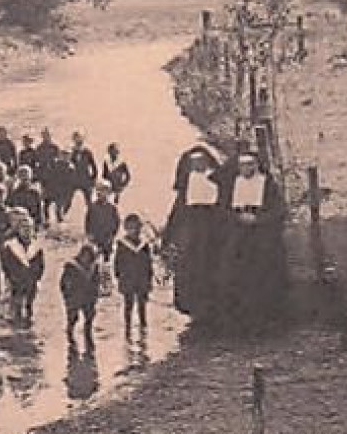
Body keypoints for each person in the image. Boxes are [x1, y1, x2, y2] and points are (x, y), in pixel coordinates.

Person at [219, 151, 288, 333]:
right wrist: (238, 218)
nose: (246, 168)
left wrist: (258, 220)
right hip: (239, 231)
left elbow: (279, 211)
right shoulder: (233, 184)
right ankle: (240, 318)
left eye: (250, 164)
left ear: (257, 165)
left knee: (263, 271)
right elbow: (223, 209)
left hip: (262, 233)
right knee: (233, 269)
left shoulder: (267, 185)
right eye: (242, 165)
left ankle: (265, 317)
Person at [163, 143, 226, 322]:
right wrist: (167, 236)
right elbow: (177, 212)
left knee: (213, 266)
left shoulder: (217, 182)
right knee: (189, 269)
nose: (198, 165)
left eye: (201, 161)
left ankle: (213, 308)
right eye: (193, 162)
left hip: (213, 230)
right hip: (192, 232)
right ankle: (193, 307)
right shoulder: (186, 187)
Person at [0, 212, 45, 324]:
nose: (27, 231)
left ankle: (29, 316)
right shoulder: (11, 246)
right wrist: (12, 277)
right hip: (15, 280)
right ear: (18, 230)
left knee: (30, 301)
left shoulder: (36, 247)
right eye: (24, 228)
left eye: (29, 228)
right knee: (16, 301)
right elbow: (6, 264)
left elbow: (40, 265)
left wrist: (36, 277)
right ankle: (16, 318)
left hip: (31, 279)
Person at [113, 213, 154, 336]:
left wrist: (149, 278)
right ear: (126, 229)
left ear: (139, 229)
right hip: (128, 279)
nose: (132, 231)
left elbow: (148, 263)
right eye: (130, 228)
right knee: (128, 304)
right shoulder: (122, 245)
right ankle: (128, 326)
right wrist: (119, 276)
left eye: (135, 228)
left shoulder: (144, 245)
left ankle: (143, 325)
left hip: (141, 279)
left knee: (142, 304)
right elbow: (117, 263)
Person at [60, 241, 102, 348]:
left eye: (89, 256)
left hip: (89, 297)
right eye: (85, 255)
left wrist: (96, 294)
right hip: (75, 297)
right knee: (73, 318)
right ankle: (70, 337)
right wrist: (67, 296)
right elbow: (63, 283)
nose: (87, 258)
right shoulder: (71, 266)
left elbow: (97, 282)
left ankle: (88, 339)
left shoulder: (94, 267)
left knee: (89, 318)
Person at [85, 184, 122, 261]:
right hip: (96, 236)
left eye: (106, 192)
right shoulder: (93, 207)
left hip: (108, 237)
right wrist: (89, 234)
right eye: (101, 192)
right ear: (98, 194)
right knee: (95, 257)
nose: (103, 195)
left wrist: (113, 234)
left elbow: (117, 221)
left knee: (107, 258)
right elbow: (88, 222)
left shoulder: (112, 208)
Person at [70, 131, 99, 210]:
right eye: (76, 139)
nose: (78, 141)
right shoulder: (70, 152)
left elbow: (94, 166)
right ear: (73, 140)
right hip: (73, 179)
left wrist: (93, 178)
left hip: (85, 179)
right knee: (67, 198)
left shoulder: (87, 152)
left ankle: (91, 216)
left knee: (89, 201)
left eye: (80, 139)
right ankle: (61, 215)